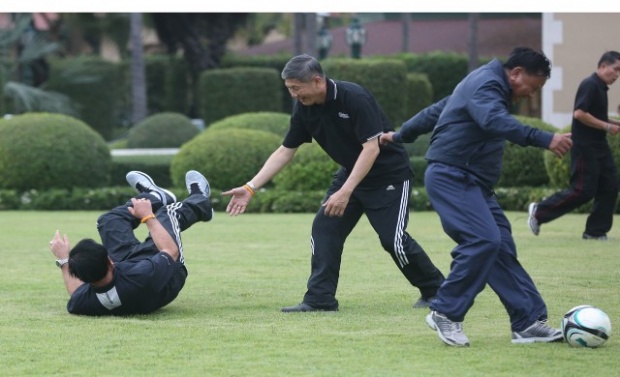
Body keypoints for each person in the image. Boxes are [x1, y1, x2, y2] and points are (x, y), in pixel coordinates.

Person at [222, 54, 445, 312]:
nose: (293, 95)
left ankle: (436, 290)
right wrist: (250, 187)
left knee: (392, 240)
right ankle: (320, 299)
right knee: (325, 229)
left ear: (317, 81)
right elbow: (286, 150)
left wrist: (345, 192)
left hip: (388, 177)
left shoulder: (355, 97)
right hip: (351, 174)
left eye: (296, 88)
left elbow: (371, 148)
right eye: (289, 89)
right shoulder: (304, 107)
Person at [382, 47, 573, 347]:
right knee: (483, 240)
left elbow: (437, 110)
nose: (529, 95)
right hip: (452, 175)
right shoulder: (487, 85)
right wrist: (544, 138)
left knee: (501, 247)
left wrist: (400, 135)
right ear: (517, 73)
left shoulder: (480, 85)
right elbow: (493, 121)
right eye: (532, 88)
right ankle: (445, 311)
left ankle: (527, 324)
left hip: (473, 182)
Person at [48, 170, 214, 316]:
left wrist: (64, 259)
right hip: (167, 273)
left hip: (128, 266)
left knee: (108, 221)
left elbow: (76, 292)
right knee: (167, 215)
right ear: (110, 261)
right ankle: (201, 201)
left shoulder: (82, 303)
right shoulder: (142, 276)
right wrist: (148, 216)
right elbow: (170, 251)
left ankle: (156, 197)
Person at [528, 51, 620, 240]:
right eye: (616, 69)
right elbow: (579, 113)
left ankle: (595, 232)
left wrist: (613, 123)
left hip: (599, 145)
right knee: (582, 190)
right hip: (585, 147)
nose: (617, 75)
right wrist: (608, 126)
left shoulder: (600, 87)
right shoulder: (590, 84)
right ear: (603, 66)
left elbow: (594, 115)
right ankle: (539, 212)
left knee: (610, 185)